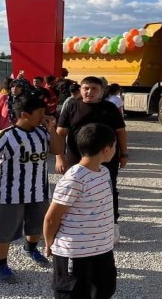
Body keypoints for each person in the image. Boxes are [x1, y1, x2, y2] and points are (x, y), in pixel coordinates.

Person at [0, 95, 63, 284]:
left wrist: (52, 129)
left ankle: (30, 248)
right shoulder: (6, 135)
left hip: (39, 191)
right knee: (6, 230)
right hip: (11, 194)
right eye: (41, 113)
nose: (45, 116)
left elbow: (57, 150)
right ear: (25, 114)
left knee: (36, 225)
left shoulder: (42, 132)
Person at [44, 123, 117, 298]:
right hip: (74, 253)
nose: (116, 150)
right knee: (74, 293)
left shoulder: (103, 172)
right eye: (115, 146)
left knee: (104, 289)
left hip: (102, 249)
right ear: (106, 150)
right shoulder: (74, 178)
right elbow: (51, 218)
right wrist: (48, 243)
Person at [57, 76, 128, 240]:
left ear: (102, 91)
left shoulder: (109, 108)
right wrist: (60, 157)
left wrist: (124, 154)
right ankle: (73, 225)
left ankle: (112, 225)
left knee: (108, 190)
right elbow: (60, 134)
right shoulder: (71, 107)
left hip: (107, 159)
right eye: (86, 88)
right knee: (74, 191)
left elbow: (121, 132)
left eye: (94, 89)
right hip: (76, 158)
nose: (89, 92)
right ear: (80, 90)